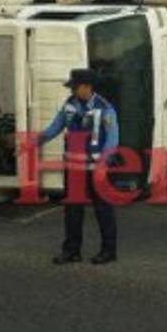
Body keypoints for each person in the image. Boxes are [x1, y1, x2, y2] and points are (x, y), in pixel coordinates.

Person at [38, 68, 120, 266]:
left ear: (87, 87)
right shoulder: (69, 105)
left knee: (103, 211)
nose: (72, 91)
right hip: (74, 169)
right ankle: (72, 251)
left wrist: (103, 164)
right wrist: (31, 144)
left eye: (75, 87)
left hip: (96, 169)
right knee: (72, 211)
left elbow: (112, 139)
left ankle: (108, 251)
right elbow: (54, 128)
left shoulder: (105, 108)